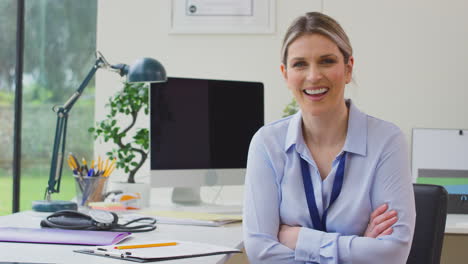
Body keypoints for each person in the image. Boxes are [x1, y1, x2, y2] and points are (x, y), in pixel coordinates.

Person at [243, 12, 416, 264]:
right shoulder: (267, 143)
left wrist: (300, 238)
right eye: (300, 64)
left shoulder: (386, 141)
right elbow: (260, 252)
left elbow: (392, 254)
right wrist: (360, 248)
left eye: (326, 61)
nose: (313, 76)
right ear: (285, 74)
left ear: (348, 69)